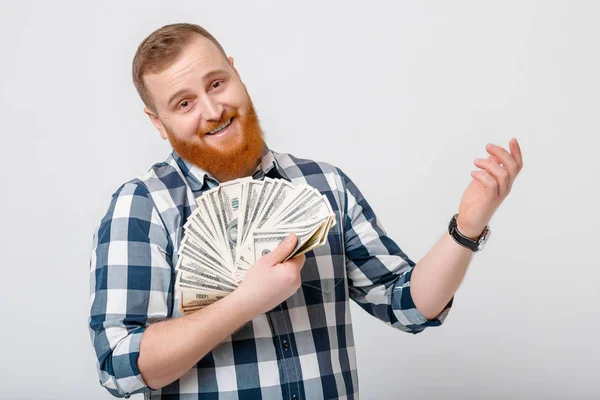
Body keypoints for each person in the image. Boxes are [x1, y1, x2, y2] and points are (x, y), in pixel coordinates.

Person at [88, 23, 523, 399]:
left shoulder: (324, 185)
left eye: (216, 83)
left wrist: (467, 227)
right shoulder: (142, 207)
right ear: (157, 122)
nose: (212, 110)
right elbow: (120, 366)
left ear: (236, 73)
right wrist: (243, 303)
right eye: (184, 103)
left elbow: (408, 304)